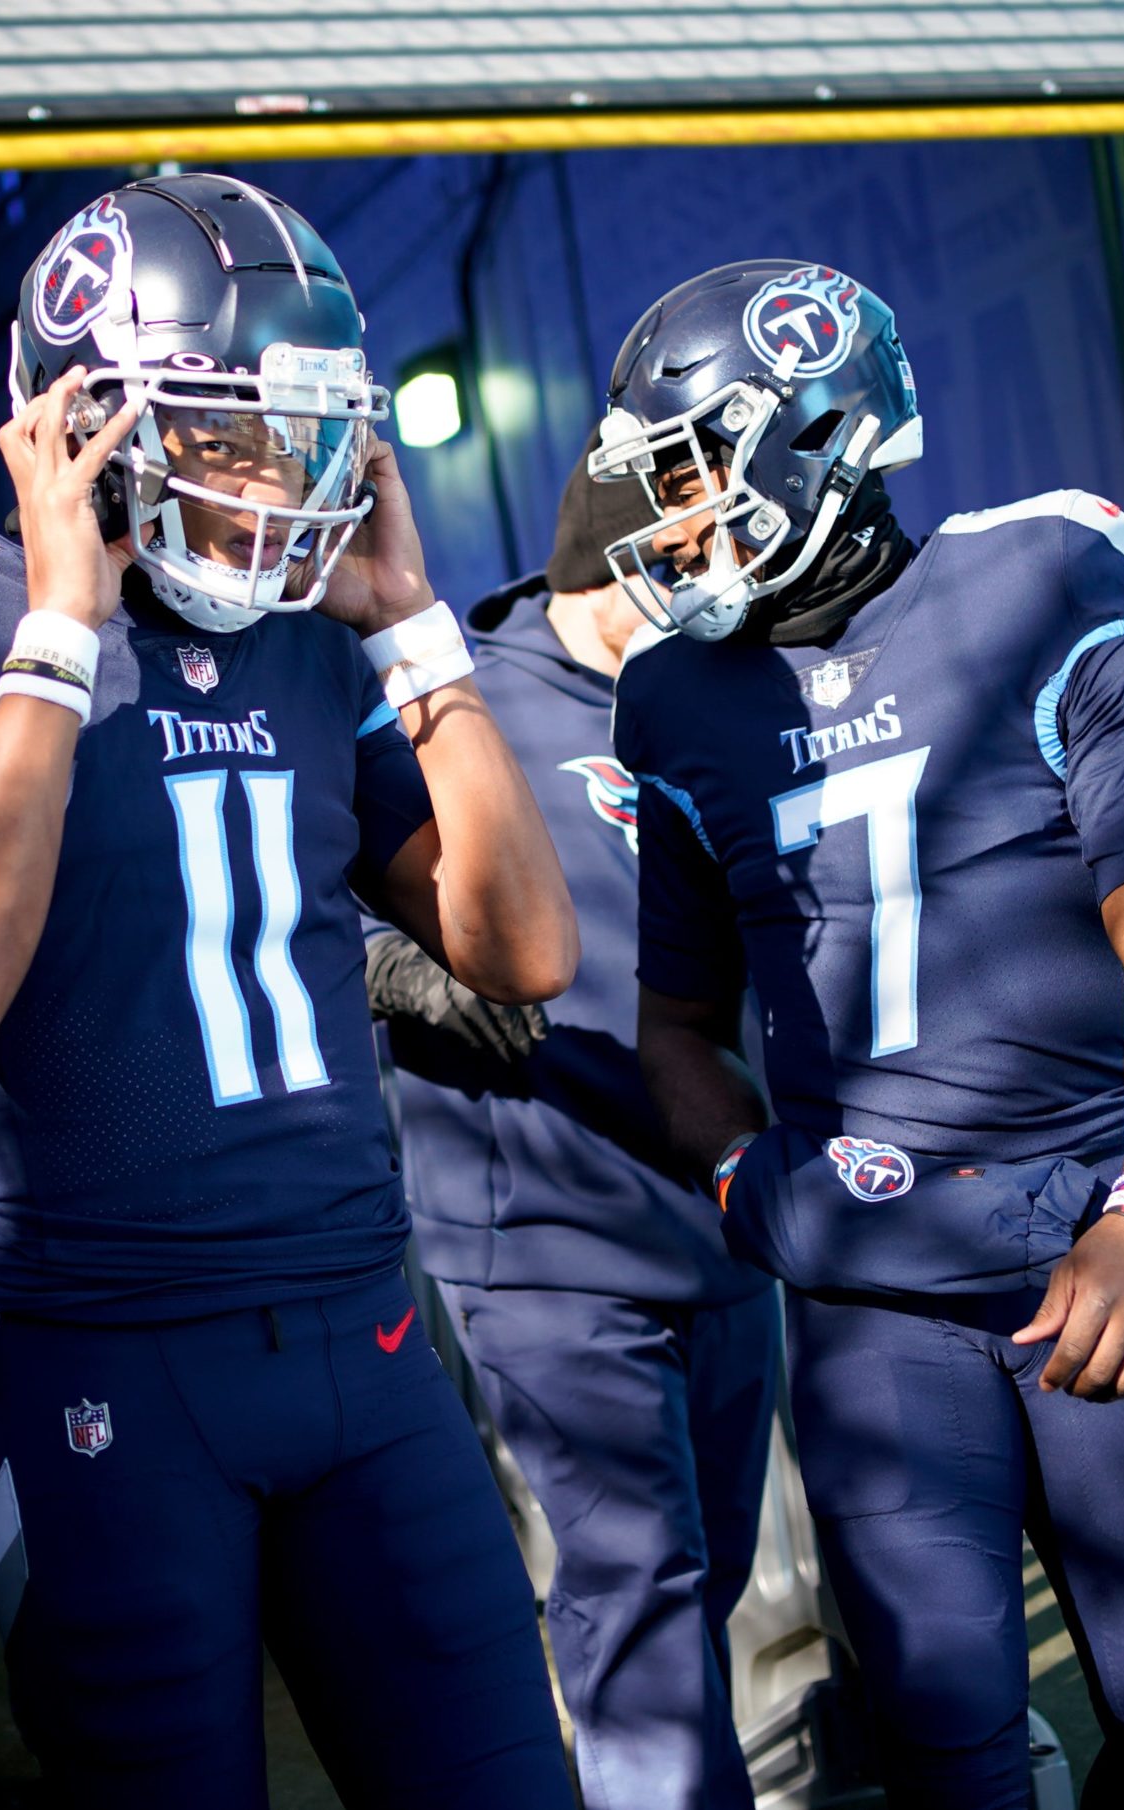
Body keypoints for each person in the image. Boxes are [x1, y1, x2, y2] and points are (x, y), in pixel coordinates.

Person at [0, 173, 580, 1808]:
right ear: (84, 422)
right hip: (114, 1359)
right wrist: (60, 627)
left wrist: (415, 636)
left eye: (307, 432)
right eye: (231, 430)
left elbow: (523, 951)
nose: (281, 483)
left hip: (371, 1331)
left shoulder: (319, 633)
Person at [604, 260, 1124, 1807]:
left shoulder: (1043, 578)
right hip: (871, 1291)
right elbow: (675, 1029)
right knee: (945, 1723)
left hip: (1084, 1242)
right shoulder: (682, 700)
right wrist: (739, 1178)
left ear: (820, 433)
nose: (676, 518)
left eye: (696, 467)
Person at [374, 436, 781, 1809]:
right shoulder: (453, 701)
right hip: (542, 1221)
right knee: (636, 1597)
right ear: (608, 552)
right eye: (679, 555)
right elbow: (298, 874)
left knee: (709, 1571)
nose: (712, 575)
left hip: (725, 1207)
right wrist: (395, 967)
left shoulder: (727, 682)